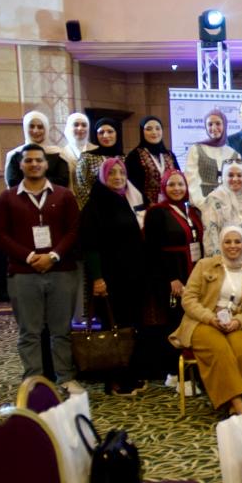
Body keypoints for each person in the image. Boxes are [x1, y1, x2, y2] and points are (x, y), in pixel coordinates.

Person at [0, 143, 83, 395]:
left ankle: (65, 377)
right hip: (23, 273)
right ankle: (33, 381)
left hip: (61, 270)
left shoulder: (64, 195)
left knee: (61, 331)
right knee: (29, 333)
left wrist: (53, 256)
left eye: (38, 160)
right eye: (28, 160)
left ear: (46, 164)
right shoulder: (7, 197)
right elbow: (0, 234)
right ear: (20, 165)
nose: (34, 164)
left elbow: (73, 230)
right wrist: (30, 256)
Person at [171, 225, 242, 416]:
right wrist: (210, 318)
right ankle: (240, 407)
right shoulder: (205, 265)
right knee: (220, 349)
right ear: (221, 244)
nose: (233, 246)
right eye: (228, 241)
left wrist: (238, 322)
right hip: (202, 322)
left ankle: (241, 404)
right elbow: (188, 299)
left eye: (237, 241)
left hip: (233, 323)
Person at [79, 157, 145, 395]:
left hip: (129, 276)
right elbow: (90, 246)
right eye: (112, 173)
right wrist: (97, 278)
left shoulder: (122, 200)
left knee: (127, 326)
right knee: (112, 327)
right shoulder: (95, 205)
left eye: (121, 173)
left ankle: (128, 374)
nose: (118, 177)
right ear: (102, 177)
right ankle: (114, 380)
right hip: (109, 278)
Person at [142, 170, 204, 385]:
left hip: (193, 271)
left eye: (180, 184)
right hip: (172, 275)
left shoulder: (191, 211)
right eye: (171, 185)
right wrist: (171, 278)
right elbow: (152, 250)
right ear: (164, 187)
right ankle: (175, 372)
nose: (177, 189)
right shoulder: (157, 212)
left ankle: (192, 371)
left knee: (192, 320)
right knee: (175, 323)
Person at [202, 160, 242, 259]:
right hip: (223, 260)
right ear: (224, 177)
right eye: (230, 175)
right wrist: (217, 262)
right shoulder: (214, 200)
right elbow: (211, 235)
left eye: (239, 175)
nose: (235, 179)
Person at [5, 110, 73, 189]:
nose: (36, 131)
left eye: (40, 127)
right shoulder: (15, 154)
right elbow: (13, 182)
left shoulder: (58, 154)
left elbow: (63, 181)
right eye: (31, 126)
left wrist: (33, 182)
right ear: (25, 128)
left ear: (46, 129)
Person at [125, 115, 180, 208]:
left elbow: (178, 178)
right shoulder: (134, 156)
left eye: (158, 128)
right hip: (146, 207)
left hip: (171, 205)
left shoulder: (169, 155)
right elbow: (132, 185)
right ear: (142, 132)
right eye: (149, 129)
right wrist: (147, 203)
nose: (154, 132)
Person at [185, 109, 236, 207]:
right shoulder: (196, 149)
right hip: (201, 206)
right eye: (210, 124)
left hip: (227, 207)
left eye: (218, 123)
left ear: (224, 125)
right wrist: (202, 204)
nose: (214, 128)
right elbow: (191, 180)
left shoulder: (234, 154)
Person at [74, 117, 127, 211]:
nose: (105, 135)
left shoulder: (125, 158)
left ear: (117, 134)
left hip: (123, 209)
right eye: (101, 132)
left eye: (110, 131)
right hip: (95, 210)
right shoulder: (87, 158)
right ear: (96, 135)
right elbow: (82, 189)